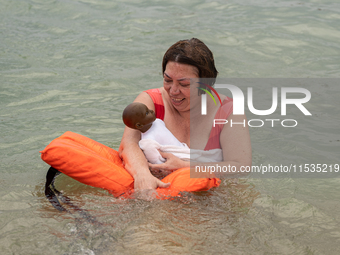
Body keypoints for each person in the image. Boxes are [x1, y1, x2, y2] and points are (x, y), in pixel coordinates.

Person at [119, 38, 252, 192]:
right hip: (160, 189)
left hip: (209, 192)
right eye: (168, 80)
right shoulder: (150, 102)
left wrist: (185, 166)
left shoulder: (228, 111)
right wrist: (143, 175)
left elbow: (241, 166)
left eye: (184, 84)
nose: (173, 91)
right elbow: (128, 145)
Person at [122, 102, 190, 164]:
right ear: (139, 125)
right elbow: (155, 160)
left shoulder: (158, 121)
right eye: (147, 113)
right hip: (177, 156)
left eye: (148, 109)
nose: (151, 111)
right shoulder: (147, 141)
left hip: (183, 149)